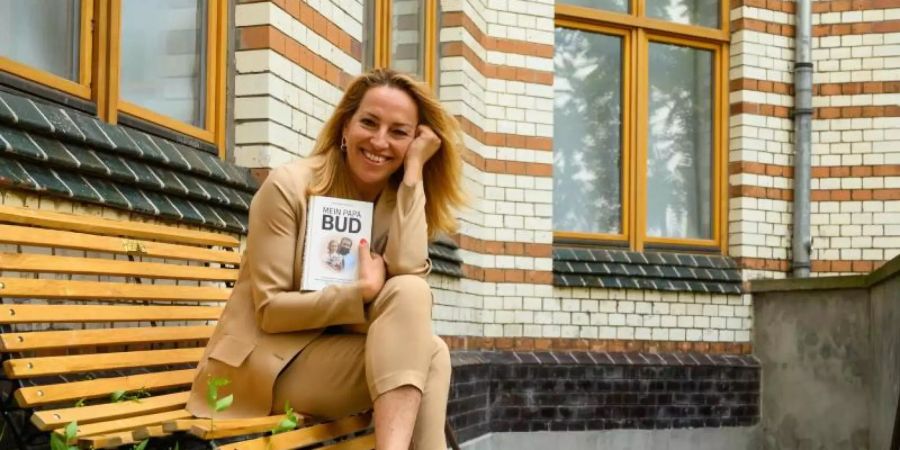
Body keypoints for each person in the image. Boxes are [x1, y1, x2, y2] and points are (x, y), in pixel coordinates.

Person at [186, 68, 466, 450]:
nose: (380, 141)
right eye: (369, 122)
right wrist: (360, 292)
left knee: (420, 314)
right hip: (267, 364)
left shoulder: (395, 198)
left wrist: (414, 173)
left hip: (336, 355)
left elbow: (408, 272)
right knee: (432, 354)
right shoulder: (289, 187)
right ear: (345, 126)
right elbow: (270, 310)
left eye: (399, 132)